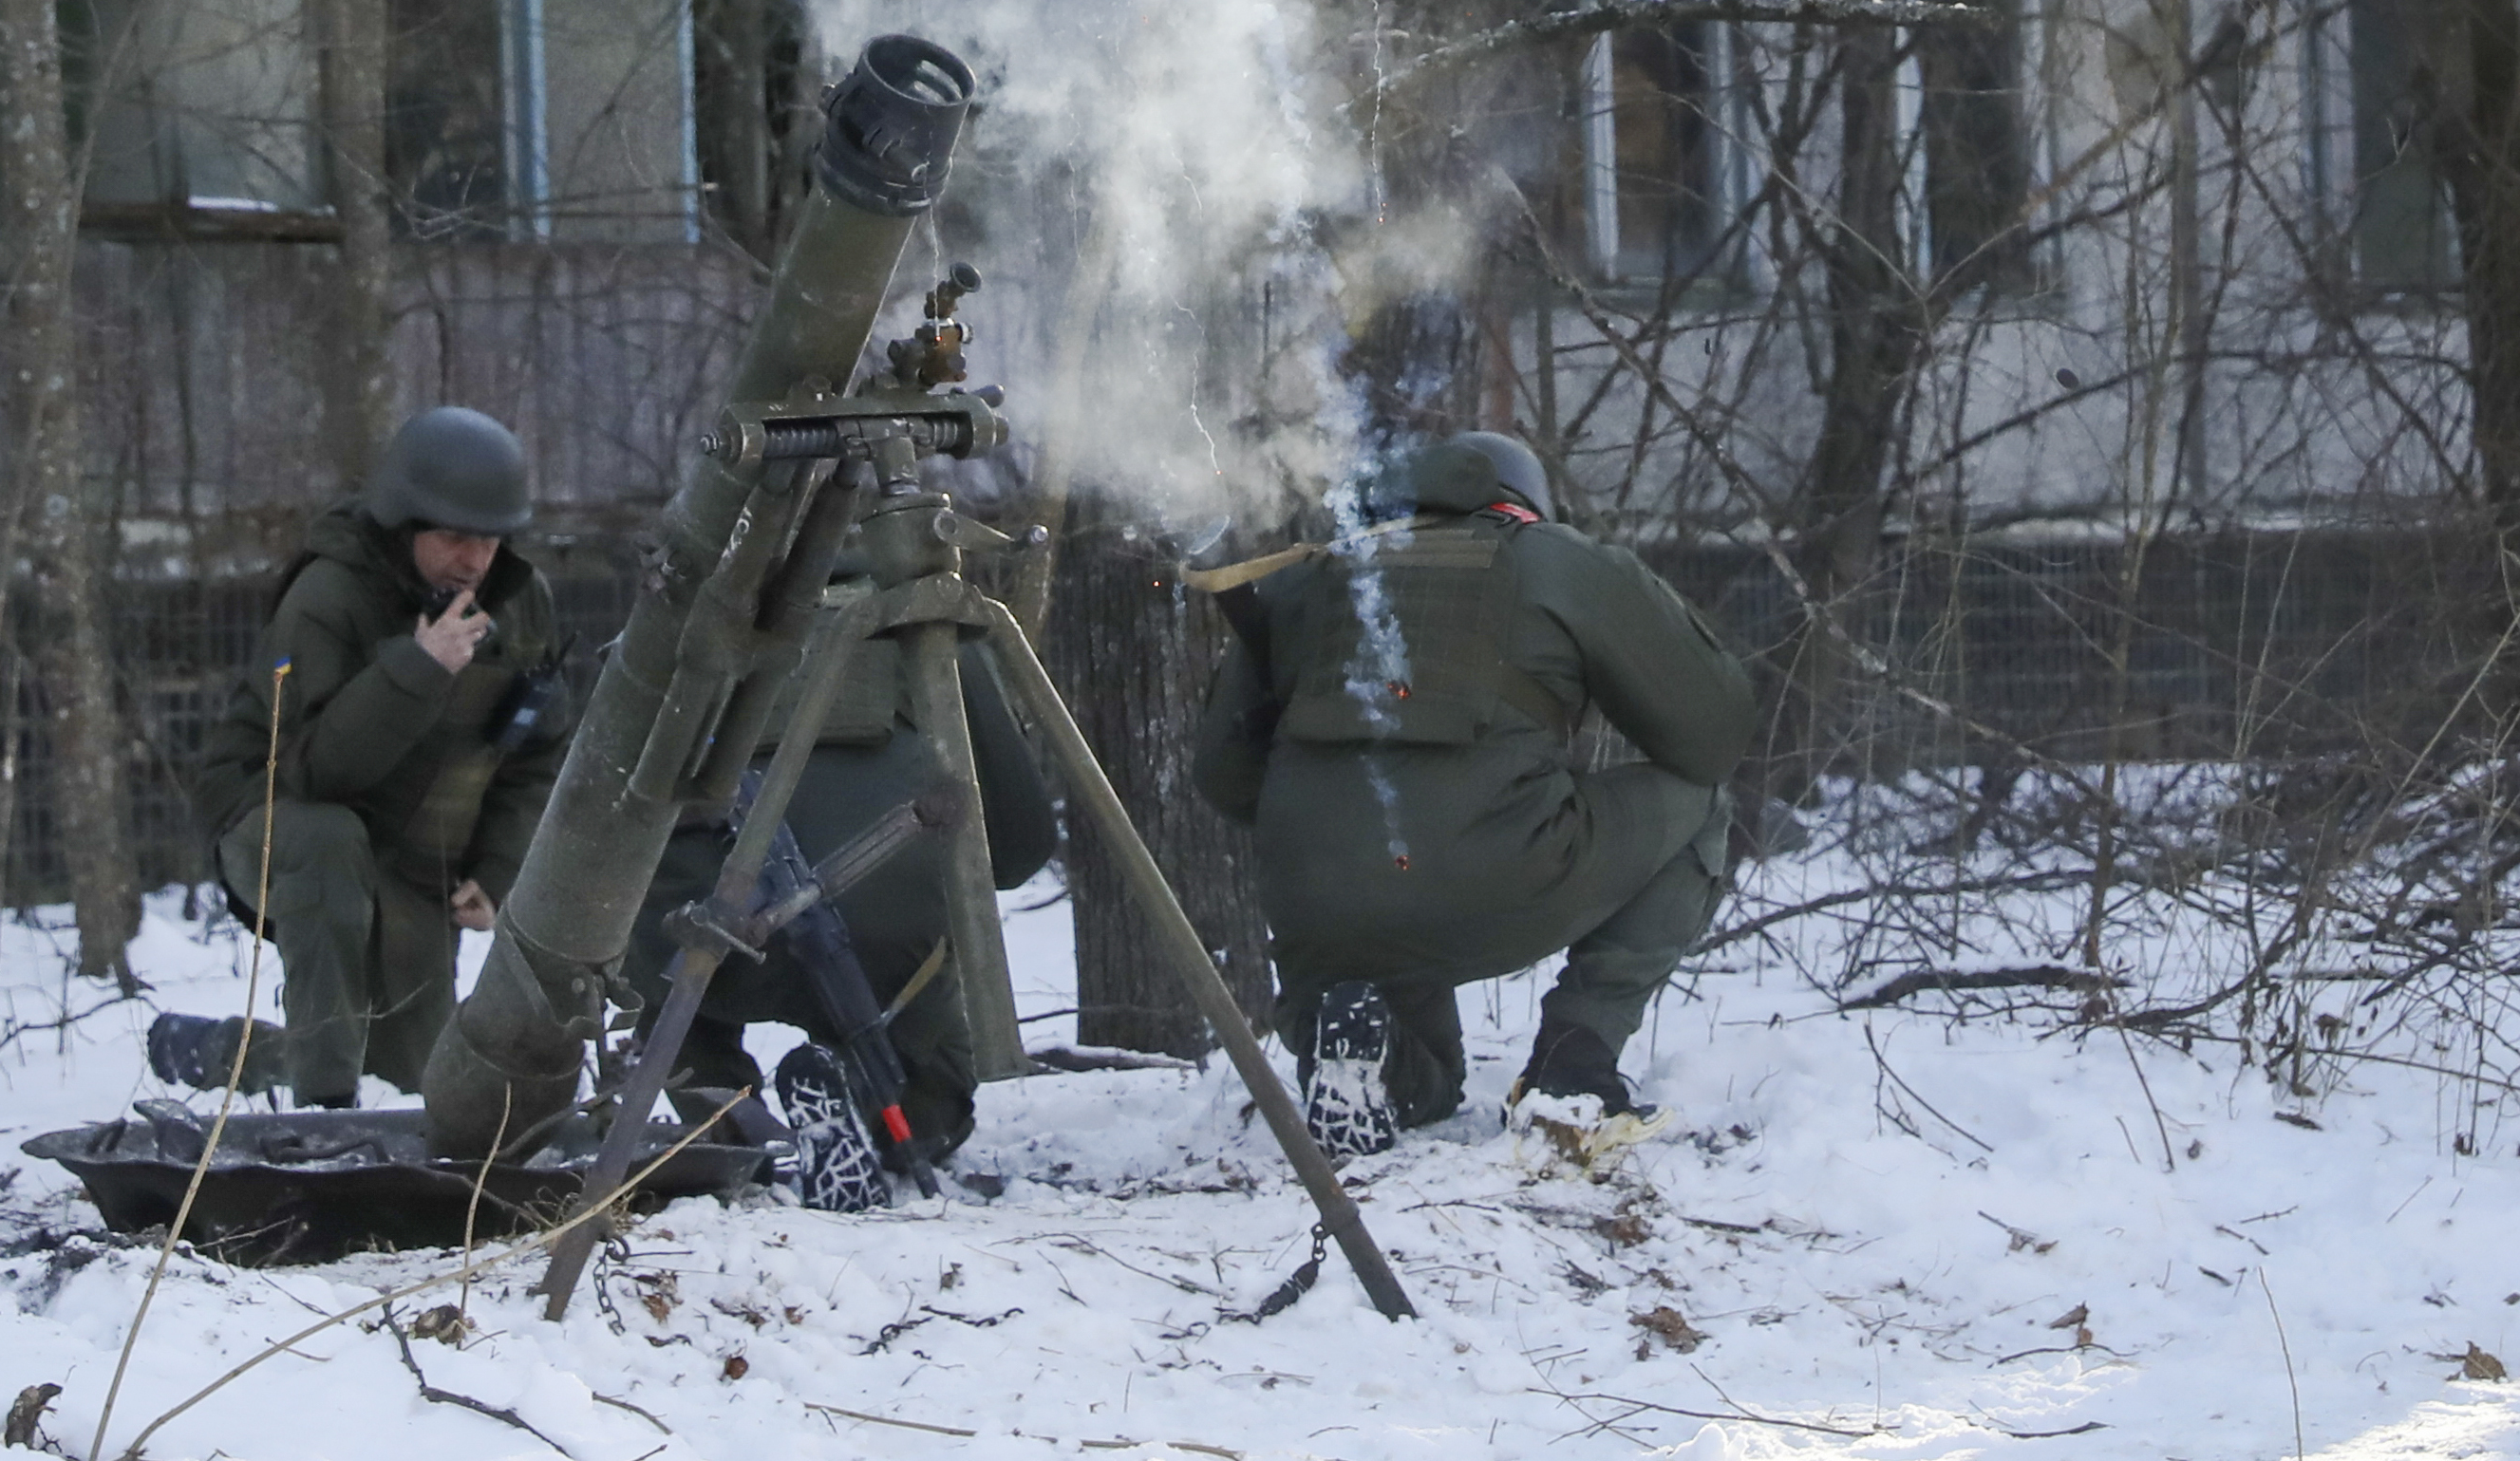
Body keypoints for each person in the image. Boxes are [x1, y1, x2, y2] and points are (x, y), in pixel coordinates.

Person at [1190, 429, 1753, 1158]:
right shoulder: (1554, 558)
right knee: (1701, 802)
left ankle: (1366, 1052)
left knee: (1427, 1085)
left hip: (1317, 907)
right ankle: (1571, 1068)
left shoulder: (1311, 578)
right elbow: (1710, 737)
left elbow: (1222, 775)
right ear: (1523, 501)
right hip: (1486, 870)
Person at [154, 406, 572, 1109]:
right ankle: (323, 1113)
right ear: (402, 523)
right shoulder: (327, 595)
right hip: (276, 823)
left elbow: (537, 750)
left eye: (490, 540)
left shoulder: (521, 603)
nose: (474, 559)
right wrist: (417, 669)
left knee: (415, 1089)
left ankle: (227, 1052)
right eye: (453, 536)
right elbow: (315, 772)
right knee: (326, 840)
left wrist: (497, 869)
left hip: (412, 851)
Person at [635, 598, 1056, 1208]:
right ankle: (903, 1124)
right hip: (890, 954)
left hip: (714, 948)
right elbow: (1021, 849)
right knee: (931, 998)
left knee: (663, 979)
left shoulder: (682, 627)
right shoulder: (932, 628)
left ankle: (725, 1130)